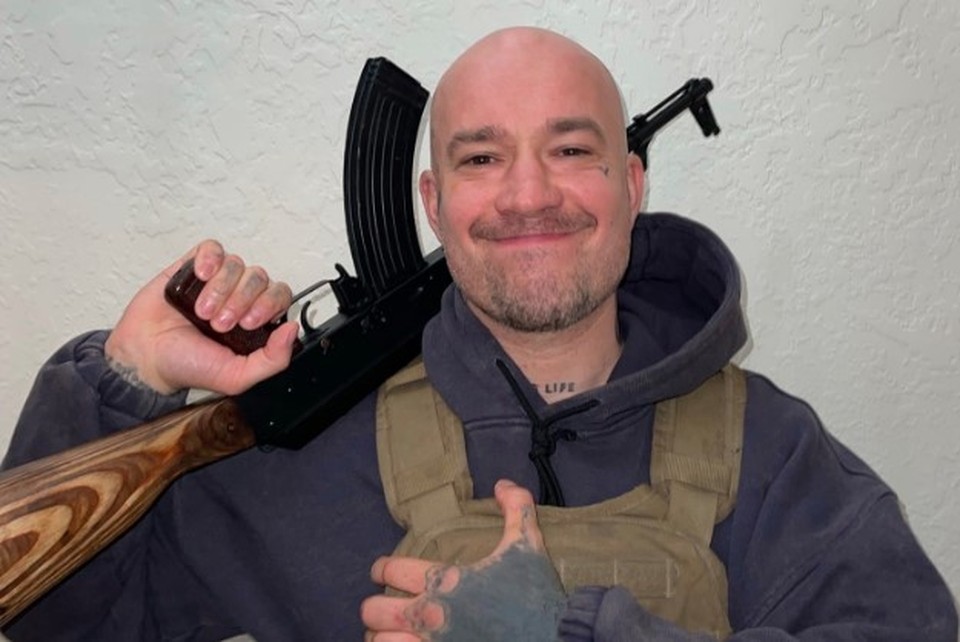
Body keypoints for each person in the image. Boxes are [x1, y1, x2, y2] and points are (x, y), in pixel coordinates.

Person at [2, 26, 956, 642]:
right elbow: (59, 618)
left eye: (570, 149)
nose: (528, 193)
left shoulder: (771, 452)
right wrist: (123, 377)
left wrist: (575, 633)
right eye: (482, 158)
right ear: (433, 202)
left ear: (630, 185)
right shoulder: (305, 451)